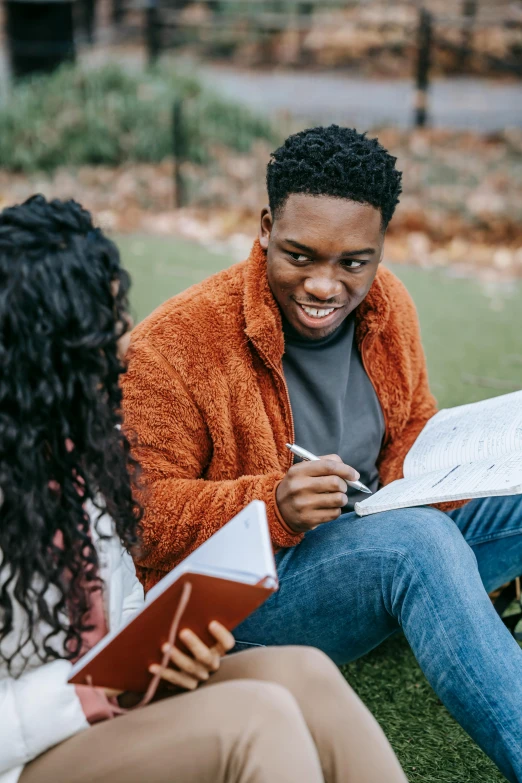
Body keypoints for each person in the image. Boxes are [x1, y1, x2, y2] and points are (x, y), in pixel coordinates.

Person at [122, 125, 522, 783]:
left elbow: (409, 430)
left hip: (374, 535)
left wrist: (451, 469)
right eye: (300, 255)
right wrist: (272, 502)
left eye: (352, 262)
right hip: (248, 598)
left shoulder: (388, 302)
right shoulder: (178, 343)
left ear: (380, 247)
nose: (324, 285)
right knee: (417, 543)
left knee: (433, 525)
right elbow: (143, 518)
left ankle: (446, 601)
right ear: (263, 228)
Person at [0, 195, 408, 783]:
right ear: (37, 355)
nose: (121, 348)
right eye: (99, 334)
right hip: (29, 753)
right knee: (255, 719)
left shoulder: (86, 445)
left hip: (101, 703)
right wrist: (102, 684)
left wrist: (158, 641)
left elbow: (112, 599)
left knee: (304, 674)